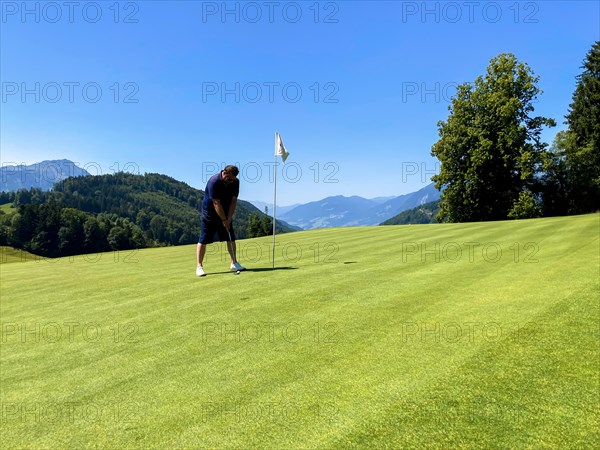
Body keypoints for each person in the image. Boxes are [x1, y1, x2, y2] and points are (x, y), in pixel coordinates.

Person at [196, 165, 246, 277]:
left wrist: (229, 218)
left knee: (231, 238)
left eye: (233, 179)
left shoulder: (235, 182)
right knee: (203, 240)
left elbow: (234, 201)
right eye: (229, 178)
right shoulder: (214, 181)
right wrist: (224, 219)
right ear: (224, 173)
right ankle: (199, 267)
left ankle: (234, 263)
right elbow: (216, 203)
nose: (231, 181)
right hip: (209, 214)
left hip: (225, 212)